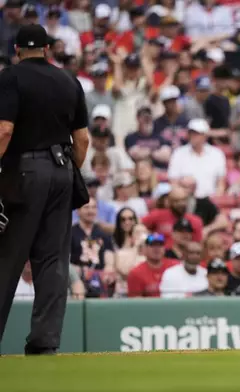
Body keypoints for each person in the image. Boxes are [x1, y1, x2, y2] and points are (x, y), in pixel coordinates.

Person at [0, 24, 90, 355]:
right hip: (62, 171)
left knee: (7, 257)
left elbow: (4, 131)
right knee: (53, 260)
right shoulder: (69, 80)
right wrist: (69, 171)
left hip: (24, 173)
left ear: (18, 50)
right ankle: (45, 342)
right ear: (48, 49)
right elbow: (82, 139)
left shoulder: (10, 77)